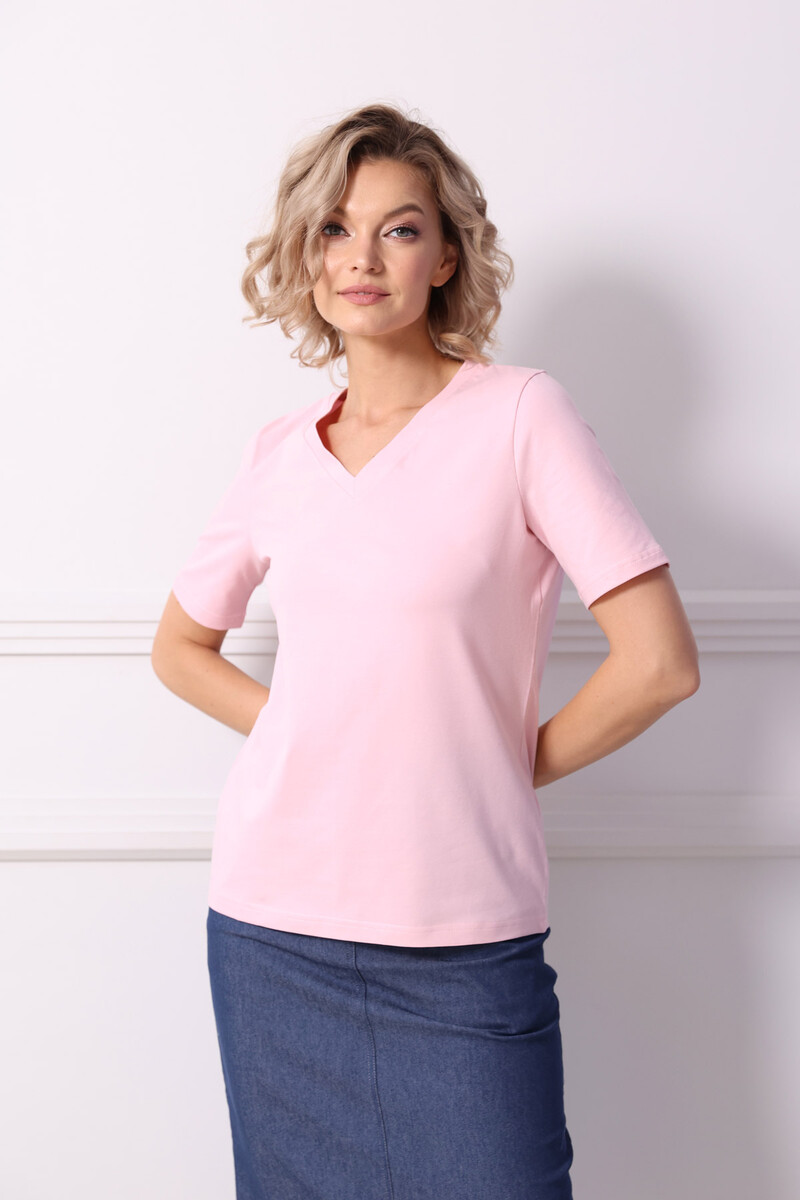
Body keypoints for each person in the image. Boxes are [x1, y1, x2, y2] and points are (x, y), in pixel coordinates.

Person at [151, 102, 700, 1200]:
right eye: (334, 229)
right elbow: (180, 647)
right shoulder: (278, 454)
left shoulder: (521, 415)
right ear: (305, 254)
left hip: (462, 935)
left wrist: (495, 758)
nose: (361, 258)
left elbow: (659, 663)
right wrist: (305, 729)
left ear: (444, 256)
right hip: (272, 931)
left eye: (398, 229)